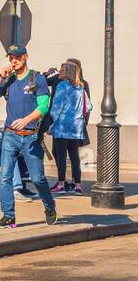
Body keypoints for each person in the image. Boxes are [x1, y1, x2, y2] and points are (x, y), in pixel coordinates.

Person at [0, 44, 58, 229]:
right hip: (10, 135)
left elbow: (43, 107)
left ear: (26, 57)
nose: (13, 61)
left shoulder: (37, 79)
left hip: (31, 136)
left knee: (38, 178)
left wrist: (26, 120)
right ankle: (9, 216)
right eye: (11, 58)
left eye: (17, 57)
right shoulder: (8, 81)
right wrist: (1, 77)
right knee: (6, 177)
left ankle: (49, 206)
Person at [49, 60, 89, 195]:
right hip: (76, 128)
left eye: (62, 70)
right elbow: (89, 106)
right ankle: (78, 185)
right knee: (74, 157)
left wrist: (51, 124)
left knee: (61, 156)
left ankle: (61, 184)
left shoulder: (62, 86)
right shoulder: (80, 88)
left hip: (62, 127)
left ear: (68, 73)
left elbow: (56, 108)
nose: (59, 72)